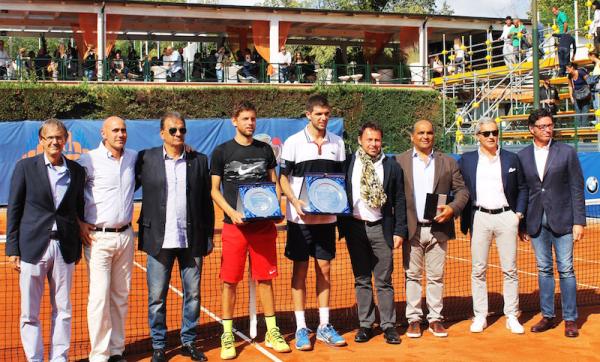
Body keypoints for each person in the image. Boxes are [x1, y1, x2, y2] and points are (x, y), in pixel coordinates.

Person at [210, 101, 291, 359]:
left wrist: (275, 208)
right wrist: (232, 213)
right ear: (234, 121)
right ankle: (227, 335)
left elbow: (274, 182)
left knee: (265, 279)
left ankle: (272, 331)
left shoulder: (265, 150)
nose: (250, 123)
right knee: (229, 282)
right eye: (245, 119)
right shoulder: (222, 152)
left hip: (263, 227)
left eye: (253, 119)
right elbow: (214, 190)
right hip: (235, 228)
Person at [135, 112, 215, 362]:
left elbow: (206, 202)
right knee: (156, 298)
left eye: (182, 130)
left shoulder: (199, 160)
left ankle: (188, 341)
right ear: (162, 134)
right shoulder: (145, 159)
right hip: (158, 240)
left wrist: (208, 237)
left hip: (191, 241)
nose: (178, 134)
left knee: (193, 295)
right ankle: (159, 345)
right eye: (173, 131)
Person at [6, 119, 85, 361]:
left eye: (59, 137)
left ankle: (59, 357)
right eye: (49, 137)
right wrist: (12, 248)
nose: (55, 141)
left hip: (64, 247)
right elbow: (14, 208)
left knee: (63, 309)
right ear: (41, 140)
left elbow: (78, 210)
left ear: (65, 140)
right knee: (29, 312)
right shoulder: (25, 167)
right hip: (32, 246)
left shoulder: (77, 171)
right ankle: (34, 358)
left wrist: (77, 244)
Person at [279, 94, 347, 350]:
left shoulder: (338, 143)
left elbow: (340, 180)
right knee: (300, 270)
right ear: (308, 115)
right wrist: (295, 202)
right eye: (318, 114)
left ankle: (324, 325)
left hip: (327, 218)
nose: (323, 118)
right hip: (300, 219)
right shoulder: (293, 143)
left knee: (325, 269)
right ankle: (300, 327)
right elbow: (283, 178)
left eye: (327, 114)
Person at [396, 119, 469, 338]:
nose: (425, 136)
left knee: (437, 276)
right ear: (412, 136)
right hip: (412, 229)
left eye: (429, 133)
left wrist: (452, 208)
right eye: (420, 133)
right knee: (412, 276)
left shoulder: (448, 162)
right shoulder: (399, 162)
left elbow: (463, 191)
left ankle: (436, 318)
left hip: (439, 228)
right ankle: (414, 319)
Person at [518, 109, 586, 338]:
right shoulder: (523, 156)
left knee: (566, 269)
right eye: (543, 126)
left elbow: (577, 187)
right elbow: (524, 191)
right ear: (532, 129)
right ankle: (547, 316)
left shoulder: (567, 152)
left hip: (565, 220)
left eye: (550, 125)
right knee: (544, 269)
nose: (548, 130)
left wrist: (579, 221)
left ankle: (570, 319)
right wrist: (523, 224)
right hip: (535, 221)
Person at [337, 122, 407, 345]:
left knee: (384, 280)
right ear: (360, 140)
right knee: (362, 279)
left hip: (381, 227)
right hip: (354, 228)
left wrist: (399, 231)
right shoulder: (348, 162)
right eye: (369, 139)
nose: (374, 144)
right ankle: (365, 325)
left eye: (377, 140)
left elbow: (399, 200)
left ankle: (388, 326)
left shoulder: (392, 166)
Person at [458, 118, 528, 335]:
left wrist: (518, 214)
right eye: (486, 133)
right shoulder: (466, 160)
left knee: (510, 269)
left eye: (494, 132)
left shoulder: (512, 158)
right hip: (479, 217)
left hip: (506, 217)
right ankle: (480, 315)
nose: (491, 136)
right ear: (477, 136)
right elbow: (458, 188)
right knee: (478, 269)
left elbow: (523, 188)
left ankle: (511, 315)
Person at [77, 116, 136, 362]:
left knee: (120, 296)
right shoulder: (88, 160)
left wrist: (185, 147)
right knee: (99, 298)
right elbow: (71, 193)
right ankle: (99, 355)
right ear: (104, 134)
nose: (120, 134)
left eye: (123, 130)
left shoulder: (133, 157)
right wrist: (79, 222)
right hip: (97, 239)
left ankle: (116, 350)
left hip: (125, 236)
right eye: (115, 130)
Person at [566, 62, 592, 127]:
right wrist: (571, 97)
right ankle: (578, 131)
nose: (567, 70)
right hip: (577, 96)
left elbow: (589, 81)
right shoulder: (569, 76)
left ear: (572, 67)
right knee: (577, 114)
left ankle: (584, 130)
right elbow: (570, 86)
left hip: (586, 96)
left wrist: (588, 91)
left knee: (585, 113)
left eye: (567, 68)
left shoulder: (581, 72)